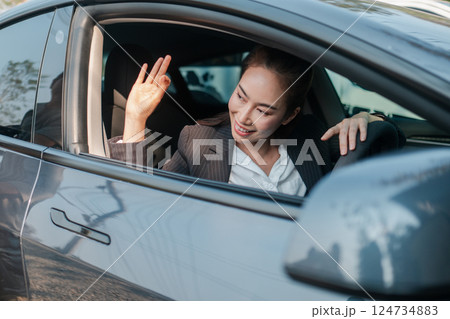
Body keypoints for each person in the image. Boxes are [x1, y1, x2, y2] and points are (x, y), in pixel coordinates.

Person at [108, 46, 404, 196]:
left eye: (264, 110)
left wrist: (367, 118)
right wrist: (135, 117)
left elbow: (390, 144)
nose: (244, 117)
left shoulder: (312, 136)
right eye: (240, 96)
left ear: (290, 115)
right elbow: (137, 194)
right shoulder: (197, 139)